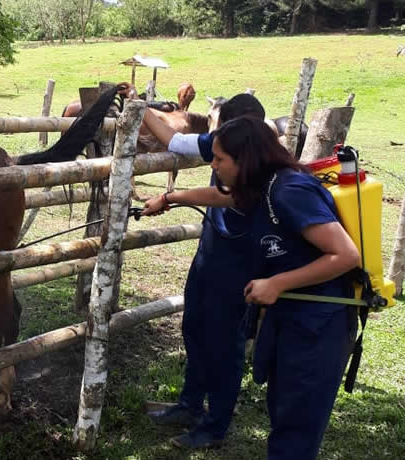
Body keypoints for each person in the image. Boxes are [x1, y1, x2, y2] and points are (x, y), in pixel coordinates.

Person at [143, 116, 359, 460]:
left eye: (219, 160)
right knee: (283, 410)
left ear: (245, 161)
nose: (213, 166)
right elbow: (220, 196)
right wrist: (170, 198)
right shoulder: (261, 187)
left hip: (319, 321)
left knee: (296, 427)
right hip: (291, 315)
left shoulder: (289, 191)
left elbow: (346, 254)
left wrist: (277, 283)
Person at [140, 94, 267, 449]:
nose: (217, 150)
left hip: (241, 264)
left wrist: (170, 197)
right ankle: (190, 404)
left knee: (226, 345)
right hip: (211, 253)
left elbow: (229, 197)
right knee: (193, 326)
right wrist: (140, 104)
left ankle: (214, 426)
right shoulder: (227, 143)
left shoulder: (261, 163)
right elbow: (174, 140)